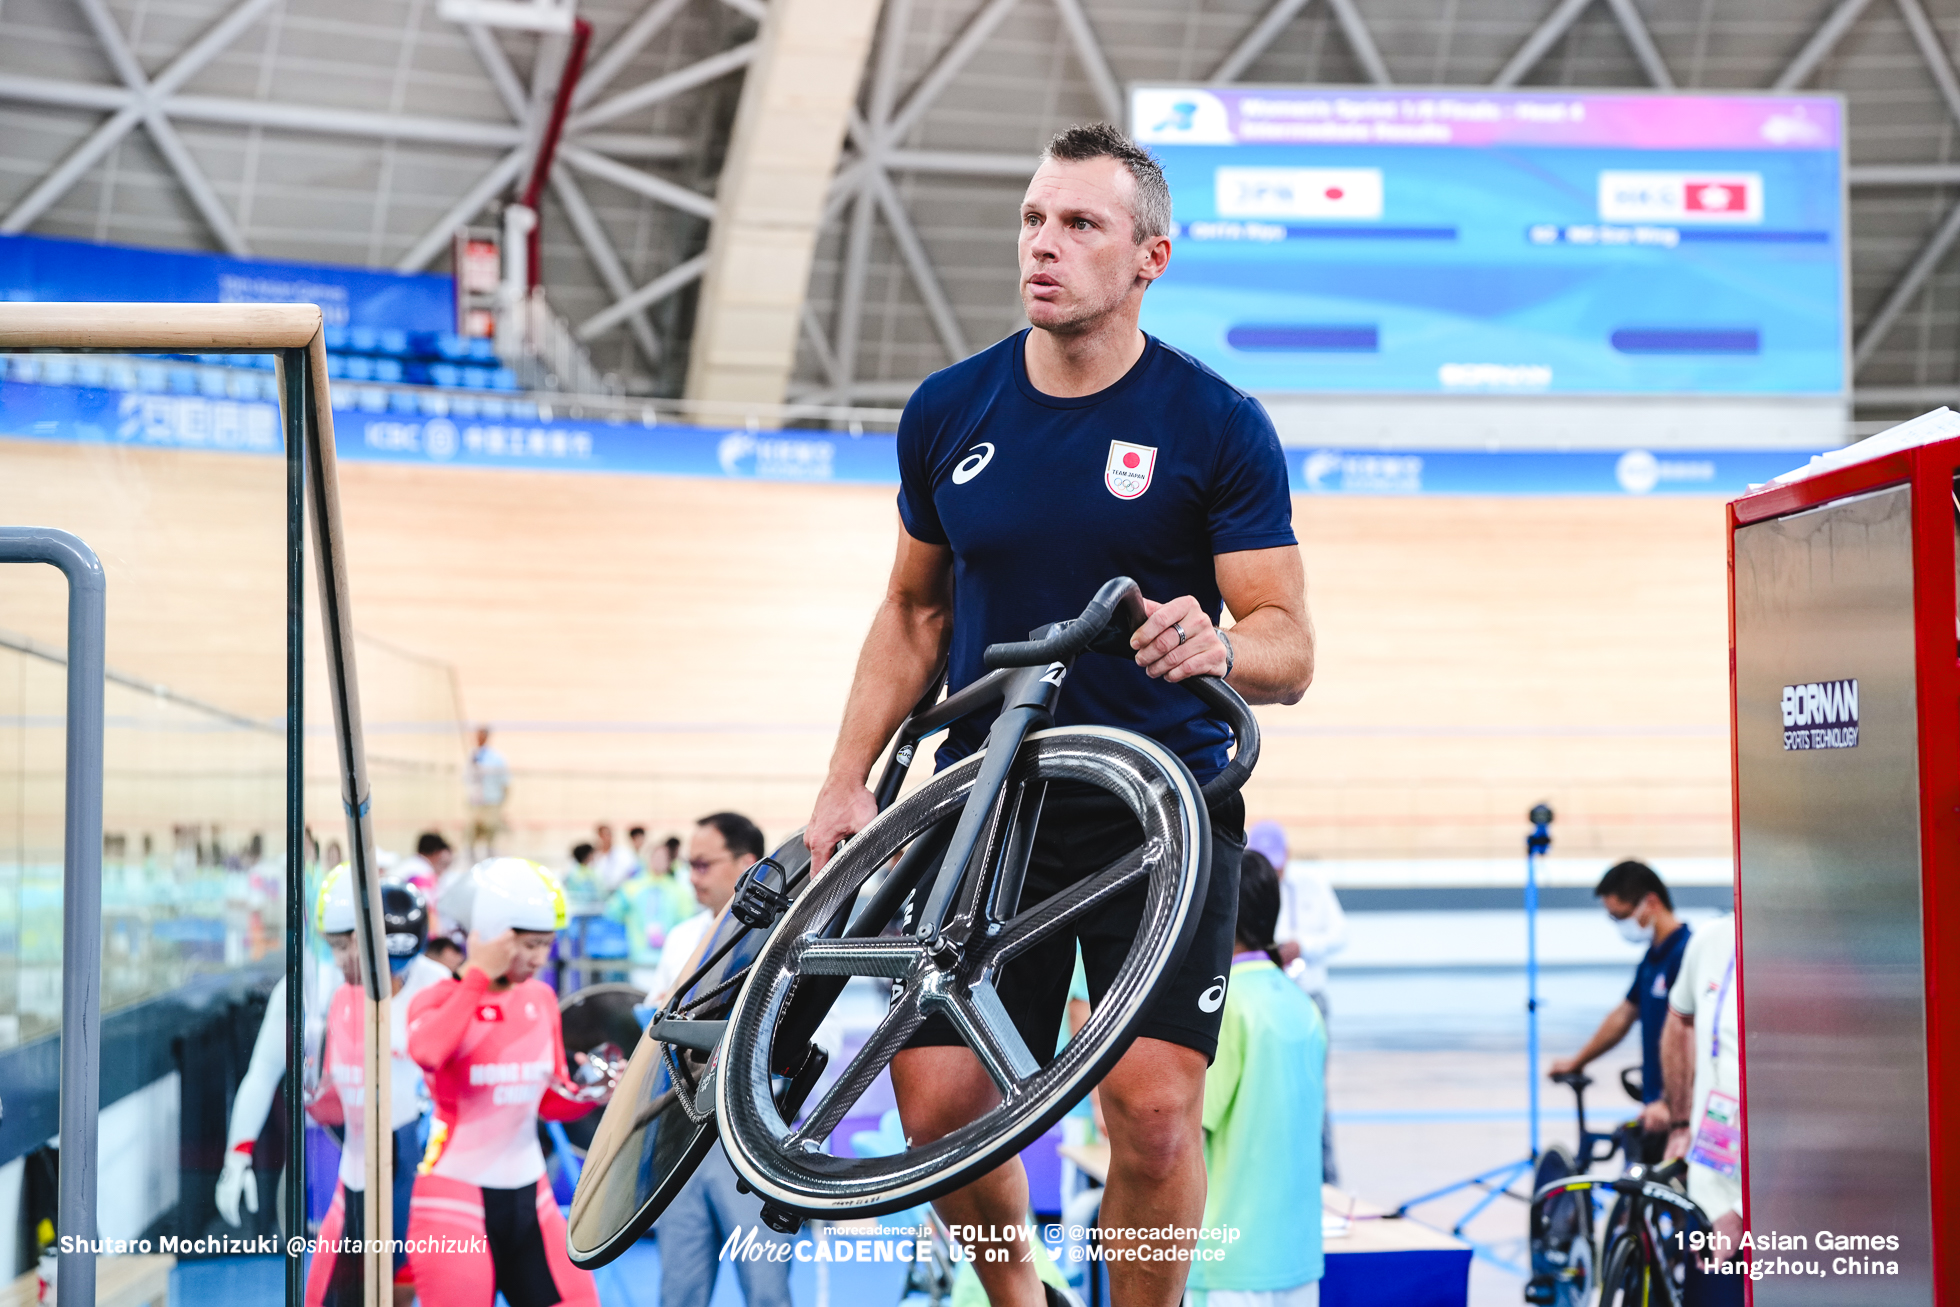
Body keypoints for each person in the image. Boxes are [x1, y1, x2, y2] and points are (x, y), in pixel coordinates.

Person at [802, 121, 1314, 1307]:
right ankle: (1019, 1297)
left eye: (1081, 224)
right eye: (1034, 218)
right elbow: (912, 613)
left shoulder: (1216, 423)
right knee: (936, 1104)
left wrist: (1222, 641)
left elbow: (1288, 644)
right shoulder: (948, 410)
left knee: (1148, 1114)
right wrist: (844, 776)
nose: (1045, 244)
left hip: (1162, 810)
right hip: (990, 807)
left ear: (1150, 258)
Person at [409, 859, 610, 1307]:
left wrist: (592, 1094)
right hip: (453, 1201)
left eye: (547, 945)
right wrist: (477, 973)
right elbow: (427, 1052)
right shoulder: (439, 998)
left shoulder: (539, 998)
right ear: (493, 934)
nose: (541, 959)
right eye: (529, 945)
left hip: (532, 1199)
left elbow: (547, 1101)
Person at [644, 810, 789, 1307]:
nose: (693, 878)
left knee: (766, 1290)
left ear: (747, 863)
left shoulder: (788, 941)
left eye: (703, 865)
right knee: (679, 1290)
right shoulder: (684, 937)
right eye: (689, 866)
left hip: (748, 1140)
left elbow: (803, 1046)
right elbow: (652, 1026)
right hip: (677, 1140)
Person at [1187, 850, 1327, 1307]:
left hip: (1230, 1259)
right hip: (1298, 1255)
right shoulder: (1301, 1004)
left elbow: (1183, 1131)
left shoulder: (1223, 1007)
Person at [305, 875, 451, 1307]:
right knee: (336, 1289)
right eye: (336, 945)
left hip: (415, 1147)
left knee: (398, 1273)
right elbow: (324, 1081)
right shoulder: (337, 993)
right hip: (357, 1160)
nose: (344, 959)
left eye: (350, 944)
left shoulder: (436, 983)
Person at [1549, 860, 1691, 1149]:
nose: (1619, 925)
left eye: (1620, 916)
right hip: (1655, 1108)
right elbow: (1624, 1015)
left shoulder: (1685, 954)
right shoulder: (1653, 959)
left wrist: (1670, 1104)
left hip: (1674, 1113)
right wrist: (1579, 1062)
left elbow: (1692, 1036)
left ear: (1650, 902)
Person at [1247, 820, 1346, 1186]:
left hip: (1309, 999)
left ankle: (1325, 1182)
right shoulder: (1247, 887)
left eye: (1278, 863)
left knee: (1313, 1092)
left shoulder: (1311, 885)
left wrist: (1303, 945)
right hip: (1264, 999)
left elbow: (1340, 933)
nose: (1274, 872)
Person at [1664, 915, 1744, 1305]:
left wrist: (1743, 1211)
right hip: (1711, 1193)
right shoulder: (1710, 941)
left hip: (1771, 1208)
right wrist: (1680, 1123)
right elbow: (1678, 1022)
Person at [604, 836, 699, 995]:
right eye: (655, 857)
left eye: (663, 857)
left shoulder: (679, 891)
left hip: (671, 959)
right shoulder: (633, 887)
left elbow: (686, 922)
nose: (658, 861)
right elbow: (612, 911)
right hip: (640, 959)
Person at [466, 728, 510, 859]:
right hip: (475, 803)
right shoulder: (472, 756)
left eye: (482, 736)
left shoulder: (496, 758)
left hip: (491, 802)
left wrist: (501, 805)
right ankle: (472, 861)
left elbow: (505, 782)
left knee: (491, 833)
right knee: (472, 834)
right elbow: (466, 779)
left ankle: (490, 860)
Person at [397, 832, 453, 902]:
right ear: (436, 853)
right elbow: (427, 904)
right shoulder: (423, 871)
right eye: (442, 863)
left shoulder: (409, 864)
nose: (442, 869)